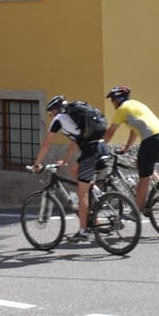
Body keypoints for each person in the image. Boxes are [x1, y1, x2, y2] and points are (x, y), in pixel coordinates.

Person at [32, 95, 110, 243]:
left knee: (82, 194)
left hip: (90, 152)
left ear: (55, 110)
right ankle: (96, 210)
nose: (51, 116)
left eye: (50, 113)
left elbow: (46, 145)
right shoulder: (76, 120)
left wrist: (37, 164)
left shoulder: (59, 119)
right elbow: (75, 142)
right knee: (74, 170)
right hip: (102, 147)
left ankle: (83, 231)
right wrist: (65, 160)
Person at [103, 85, 159, 214]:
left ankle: (136, 211)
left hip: (151, 139)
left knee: (143, 178)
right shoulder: (137, 105)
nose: (112, 103)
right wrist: (126, 147)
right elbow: (135, 131)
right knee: (142, 164)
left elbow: (110, 132)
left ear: (118, 98)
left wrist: (99, 146)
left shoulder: (122, 109)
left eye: (113, 99)